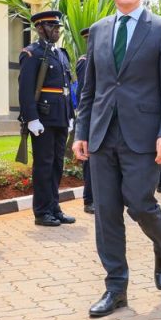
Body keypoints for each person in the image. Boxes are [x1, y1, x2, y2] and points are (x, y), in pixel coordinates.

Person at [73, 0, 161, 318]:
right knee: (106, 213)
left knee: (139, 202)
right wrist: (81, 131)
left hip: (144, 135)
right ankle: (115, 288)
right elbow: (90, 89)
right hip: (103, 134)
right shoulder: (100, 30)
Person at [18, 10, 76, 227]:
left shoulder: (61, 54)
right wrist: (31, 118)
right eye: (52, 27)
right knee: (44, 165)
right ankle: (42, 211)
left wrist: (70, 114)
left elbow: (67, 88)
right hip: (43, 117)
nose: (57, 31)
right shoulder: (31, 53)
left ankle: (54, 207)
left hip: (60, 115)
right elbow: (25, 90)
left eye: (58, 27)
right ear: (39, 28)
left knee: (57, 165)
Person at [75, 27, 95, 213]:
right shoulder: (85, 61)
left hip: (103, 118)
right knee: (89, 160)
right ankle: (89, 200)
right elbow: (84, 93)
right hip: (91, 118)